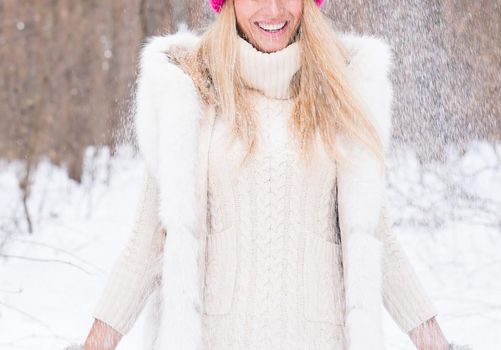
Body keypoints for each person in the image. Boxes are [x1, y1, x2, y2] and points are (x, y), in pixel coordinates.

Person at [83, 0, 454, 349]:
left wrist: (436, 342)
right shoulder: (189, 91)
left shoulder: (342, 90)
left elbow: (375, 239)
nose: (274, 10)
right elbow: (148, 242)